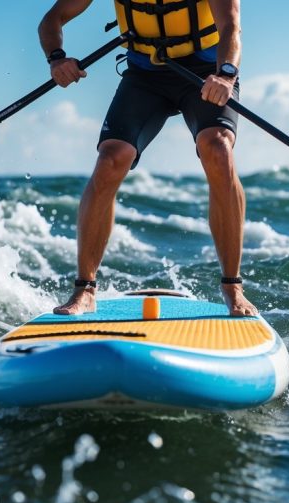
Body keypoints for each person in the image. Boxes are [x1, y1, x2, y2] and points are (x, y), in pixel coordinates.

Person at [39, 0, 257, 317]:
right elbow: (52, 19)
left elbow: (230, 25)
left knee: (218, 149)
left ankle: (232, 288)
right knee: (111, 158)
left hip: (207, 73)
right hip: (145, 76)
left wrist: (226, 75)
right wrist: (56, 58)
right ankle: (84, 290)